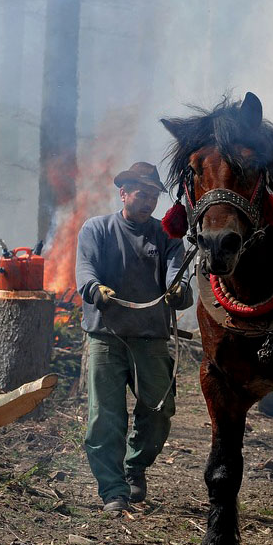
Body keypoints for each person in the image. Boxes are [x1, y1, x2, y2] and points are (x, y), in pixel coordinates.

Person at [75, 161, 193, 513]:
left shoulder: (168, 238)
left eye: (153, 196)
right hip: (106, 338)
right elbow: (85, 270)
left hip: (150, 338)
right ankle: (113, 490)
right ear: (123, 193)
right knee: (104, 417)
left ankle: (135, 467)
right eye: (142, 194)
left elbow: (180, 280)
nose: (148, 202)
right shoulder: (97, 229)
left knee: (159, 409)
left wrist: (177, 292)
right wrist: (96, 290)